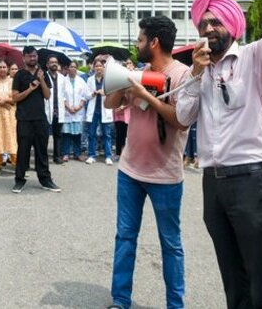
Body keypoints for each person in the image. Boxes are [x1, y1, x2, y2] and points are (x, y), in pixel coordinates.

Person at [176, 0, 262, 308]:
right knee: (232, 275)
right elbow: (182, 116)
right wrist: (195, 75)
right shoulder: (199, 71)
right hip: (214, 183)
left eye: (216, 22)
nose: (209, 28)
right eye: (203, 24)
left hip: (249, 181)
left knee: (259, 275)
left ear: (231, 25)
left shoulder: (256, 57)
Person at [105, 16, 190, 309]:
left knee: (171, 244)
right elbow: (110, 103)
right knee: (125, 237)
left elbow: (180, 120)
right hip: (130, 171)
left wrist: (146, 96)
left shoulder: (183, 76)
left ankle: (175, 304)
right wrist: (121, 79)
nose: (137, 44)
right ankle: (120, 299)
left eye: (140, 40)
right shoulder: (139, 72)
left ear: (153, 42)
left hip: (166, 176)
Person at [11, 46, 61, 193]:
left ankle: (45, 179)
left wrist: (41, 80)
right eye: (29, 56)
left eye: (35, 56)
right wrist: (31, 88)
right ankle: (19, 180)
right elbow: (15, 97)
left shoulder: (43, 73)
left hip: (40, 119)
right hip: (24, 119)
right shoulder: (19, 75)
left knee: (42, 152)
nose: (33, 58)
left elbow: (47, 95)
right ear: (24, 58)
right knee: (23, 151)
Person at [85, 59, 114, 165]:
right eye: (96, 66)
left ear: (103, 67)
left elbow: (112, 93)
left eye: (100, 66)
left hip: (105, 110)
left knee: (107, 134)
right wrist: (92, 93)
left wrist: (104, 92)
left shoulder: (108, 80)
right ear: (93, 67)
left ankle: (108, 156)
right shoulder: (89, 80)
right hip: (93, 111)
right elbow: (86, 95)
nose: (98, 68)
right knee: (91, 134)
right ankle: (91, 155)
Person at [44, 55, 68, 164]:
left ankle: (57, 157)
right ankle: (43, 158)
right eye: (51, 62)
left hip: (58, 110)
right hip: (46, 109)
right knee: (44, 136)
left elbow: (63, 94)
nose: (54, 64)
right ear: (47, 64)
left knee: (58, 135)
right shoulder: (44, 76)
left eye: (55, 62)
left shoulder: (62, 78)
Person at [62, 62, 87, 162]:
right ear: (68, 69)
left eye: (75, 67)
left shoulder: (81, 81)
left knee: (77, 134)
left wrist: (79, 106)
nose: (73, 68)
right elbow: (61, 96)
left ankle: (77, 154)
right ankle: (65, 153)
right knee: (66, 134)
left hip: (78, 111)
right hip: (67, 112)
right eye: (71, 66)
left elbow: (85, 95)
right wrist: (68, 107)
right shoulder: (63, 81)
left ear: (77, 68)